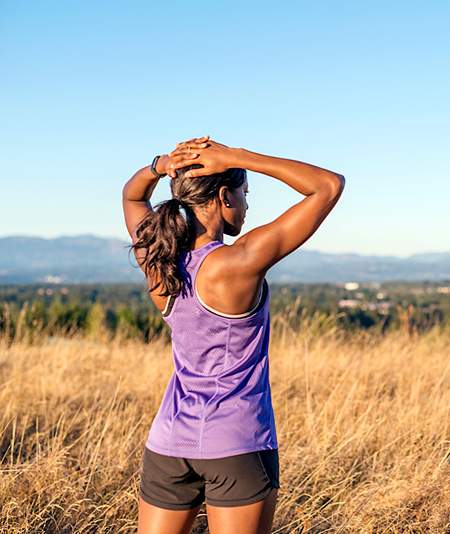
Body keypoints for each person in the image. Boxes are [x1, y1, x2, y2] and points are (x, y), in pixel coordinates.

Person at [121, 135, 345, 534]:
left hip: (169, 443)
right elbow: (328, 185)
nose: (246, 204)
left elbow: (133, 196)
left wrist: (161, 165)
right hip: (237, 442)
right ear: (225, 196)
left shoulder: (157, 259)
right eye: (244, 193)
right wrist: (236, 157)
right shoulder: (237, 263)